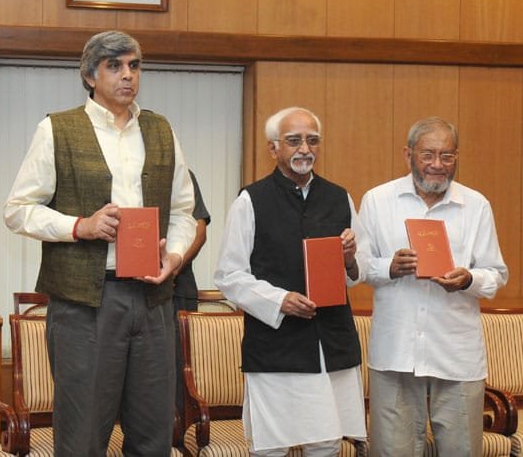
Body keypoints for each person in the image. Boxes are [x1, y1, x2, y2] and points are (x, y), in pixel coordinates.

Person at [4, 30, 196, 456]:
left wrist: (176, 256)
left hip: (152, 299)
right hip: (86, 305)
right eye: (115, 66)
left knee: (154, 433)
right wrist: (80, 226)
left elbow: (184, 211)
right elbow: (17, 210)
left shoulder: (161, 129)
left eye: (135, 65)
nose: (128, 76)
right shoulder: (58, 128)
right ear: (90, 76)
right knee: (84, 436)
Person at [215, 106, 367, 457]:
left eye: (312, 140)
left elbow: (359, 273)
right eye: (294, 140)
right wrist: (278, 300)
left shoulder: (339, 197)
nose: (304, 149)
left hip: (330, 343)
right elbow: (229, 274)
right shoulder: (250, 200)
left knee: (327, 443)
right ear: (274, 148)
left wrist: (349, 259)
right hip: (276, 347)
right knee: (272, 446)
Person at [357, 116, 508, 457]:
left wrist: (469, 279)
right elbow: (358, 268)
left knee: (462, 450)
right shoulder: (378, 200)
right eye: (428, 155)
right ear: (407, 154)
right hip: (395, 351)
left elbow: (496, 273)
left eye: (447, 156)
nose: (437, 165)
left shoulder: (476, 205)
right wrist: (390, 267)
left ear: (457, 157)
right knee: (391, 451)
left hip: (455, 352)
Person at [173, 169, 210, 422]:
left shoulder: (182, 174)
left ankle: (178, 440)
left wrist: (173, 266)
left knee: (178, 371)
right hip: (127, 291)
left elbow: (199, 231)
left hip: (177, 289)